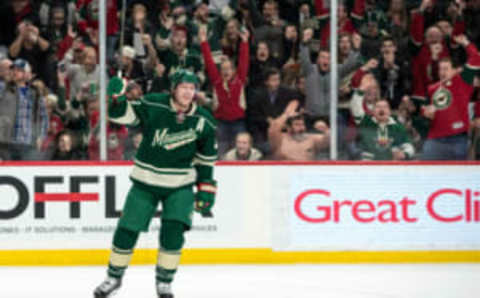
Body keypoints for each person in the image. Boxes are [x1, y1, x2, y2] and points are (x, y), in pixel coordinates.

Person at [94, 69, 217, 298]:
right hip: (145, 182)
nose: (188, 92)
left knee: (173, 233)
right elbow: (122, 116)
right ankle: (113, 277)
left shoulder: (204, 122)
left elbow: (205, 161)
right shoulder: (154, 104)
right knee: (127, 230)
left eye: (192, 88)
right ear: (173, 89)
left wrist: (206, 188)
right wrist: (118, 98)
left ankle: (164, 282)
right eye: (184, 87)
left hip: (180, 185)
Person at [421, 35, 480, 160]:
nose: (442, 72)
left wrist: (466, 42)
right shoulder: (432, 88)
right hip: (434, 139)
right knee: (426, 175)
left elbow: (476, 58)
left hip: (457, 139)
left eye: (446, 69)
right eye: (440, 69)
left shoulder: (464, 81)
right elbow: (424, 109)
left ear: (454, 70)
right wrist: (426, 113)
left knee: (457, 178)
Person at [350, 75, 415, 160]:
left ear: (390, 112)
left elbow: (408, 145)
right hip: (369, 165)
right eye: (378, 107)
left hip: (391, 165)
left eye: (385, 107)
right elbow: (356, 107)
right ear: (373, 111)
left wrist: (404, 154)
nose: (381, 109)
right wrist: (361, 89)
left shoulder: (397, 126)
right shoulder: (366, 121)